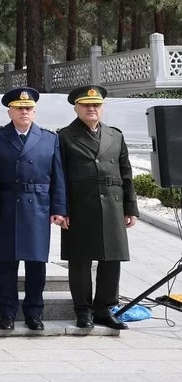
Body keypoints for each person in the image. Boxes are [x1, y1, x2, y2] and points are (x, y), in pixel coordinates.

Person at [58, 85, 138, 330]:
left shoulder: (115, 135)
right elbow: (59, 175)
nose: (91, 108)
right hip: (80, 204)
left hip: (112, 204)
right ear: (76, 108)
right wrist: (62, 209)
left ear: (102, 107)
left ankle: (104, 309)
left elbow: (126, 173)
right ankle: (83, 310)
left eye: (96, 105)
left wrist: (131, 208)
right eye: (86, 105)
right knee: (80, 259)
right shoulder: (64, 136)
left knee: (111, 258)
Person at [0, 87, 67, 331]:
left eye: (28, 108)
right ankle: (7, 312)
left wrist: (59, 208)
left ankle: (34, 312)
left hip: (38, 206)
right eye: (19, 108)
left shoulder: (49, 138)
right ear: (10, 112)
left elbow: (58, 177)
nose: (24, 112)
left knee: (36, 263)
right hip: (9, 205)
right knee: (7, 263)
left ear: (34, 112)